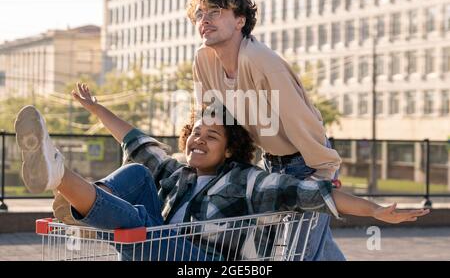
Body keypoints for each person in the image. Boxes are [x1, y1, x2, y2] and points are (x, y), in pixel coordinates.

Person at [15, 84, 429, 261]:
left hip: (203, 261)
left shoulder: (246, 181)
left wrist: (375, 211)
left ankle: (64, 182)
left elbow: (315, 194)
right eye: (194, 132)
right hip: (159, 244)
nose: (198, 139)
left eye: (211, 136)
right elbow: (137, 139)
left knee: (140, 228)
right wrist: (95, 108)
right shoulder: (177, 174)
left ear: (231, 147)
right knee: (139, 171)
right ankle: (79, 199)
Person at [188, 0, 345, 260]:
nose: (205, 20)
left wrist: (324, 172)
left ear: (240, 20)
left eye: (215, 12)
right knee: (305, 250)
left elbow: (300, 120)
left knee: (297, 254)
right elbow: (211, 117)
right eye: (200, 13)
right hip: (270, 164)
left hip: (306, 163)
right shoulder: (204, 59)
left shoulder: (261, 61)